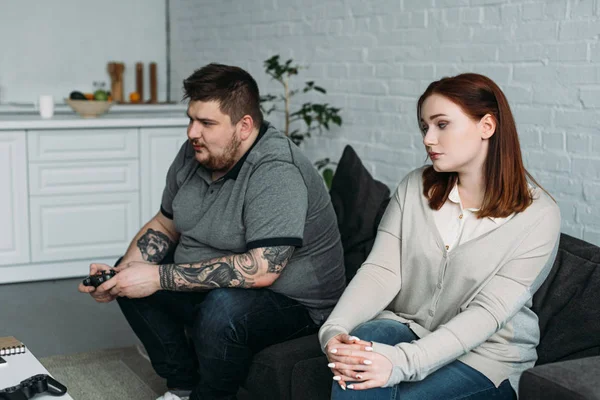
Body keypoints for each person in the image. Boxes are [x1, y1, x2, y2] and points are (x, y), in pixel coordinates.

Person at [78, 63, 346, 400]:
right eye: (191, 119)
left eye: (206, 123)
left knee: (221, 309)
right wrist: (118, 276)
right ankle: (181, 386)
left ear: (244, 126)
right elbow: (164, 224)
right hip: (222, 281)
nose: (192, 132)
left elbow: (263, 269)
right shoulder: (198, 152)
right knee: (132, 272)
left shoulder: (276, 169)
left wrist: (158, 277)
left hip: (294, 303)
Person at [318, 73, 561, 400]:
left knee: (395, 392)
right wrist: (335, 330)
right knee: (358, 356)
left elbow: (487, 314)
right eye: (424, 127)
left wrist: (400, 363)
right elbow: (382, 271)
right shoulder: (414, 186)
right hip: (410, 327)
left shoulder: (539, 215)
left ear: (486, 126)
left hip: (486, 356)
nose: (428, 139)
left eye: (442, 124)